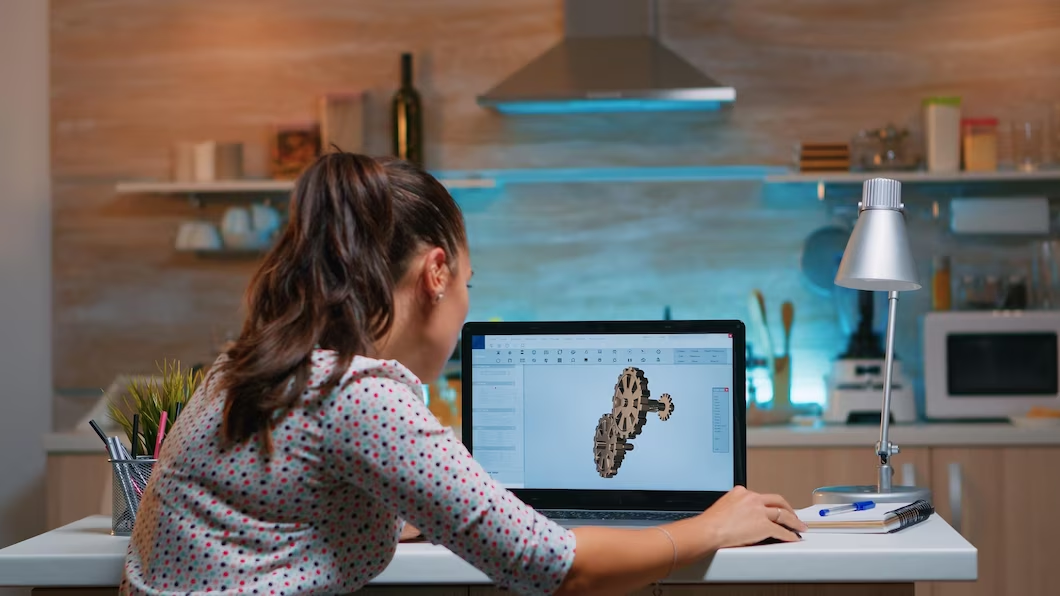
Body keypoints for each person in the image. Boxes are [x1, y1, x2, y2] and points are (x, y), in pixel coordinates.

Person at [120, 153, 806, 596]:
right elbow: (558, 567)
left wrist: (416, 515)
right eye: (469, 283)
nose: (466, 303)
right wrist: (712, 527)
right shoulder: (355, 394)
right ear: (436, 273)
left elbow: (284, 511)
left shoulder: (244, 368)